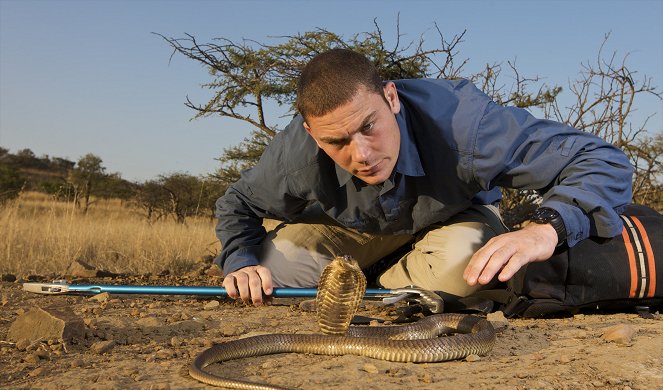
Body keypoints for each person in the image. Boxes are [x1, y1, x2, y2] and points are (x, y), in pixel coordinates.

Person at [214, 48, 633, 305]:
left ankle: (384, 282)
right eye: (336, 141)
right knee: (269, 279)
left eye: (368, 127)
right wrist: (240, 261)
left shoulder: (467, 127)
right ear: (311, 134)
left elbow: (602, 159)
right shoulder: (295, 155)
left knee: (467, 273)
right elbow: (237, 204)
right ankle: (391, 281)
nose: (361, 155)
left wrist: (546, 230)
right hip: (351, 228)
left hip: (452, 219)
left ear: (391, 97)